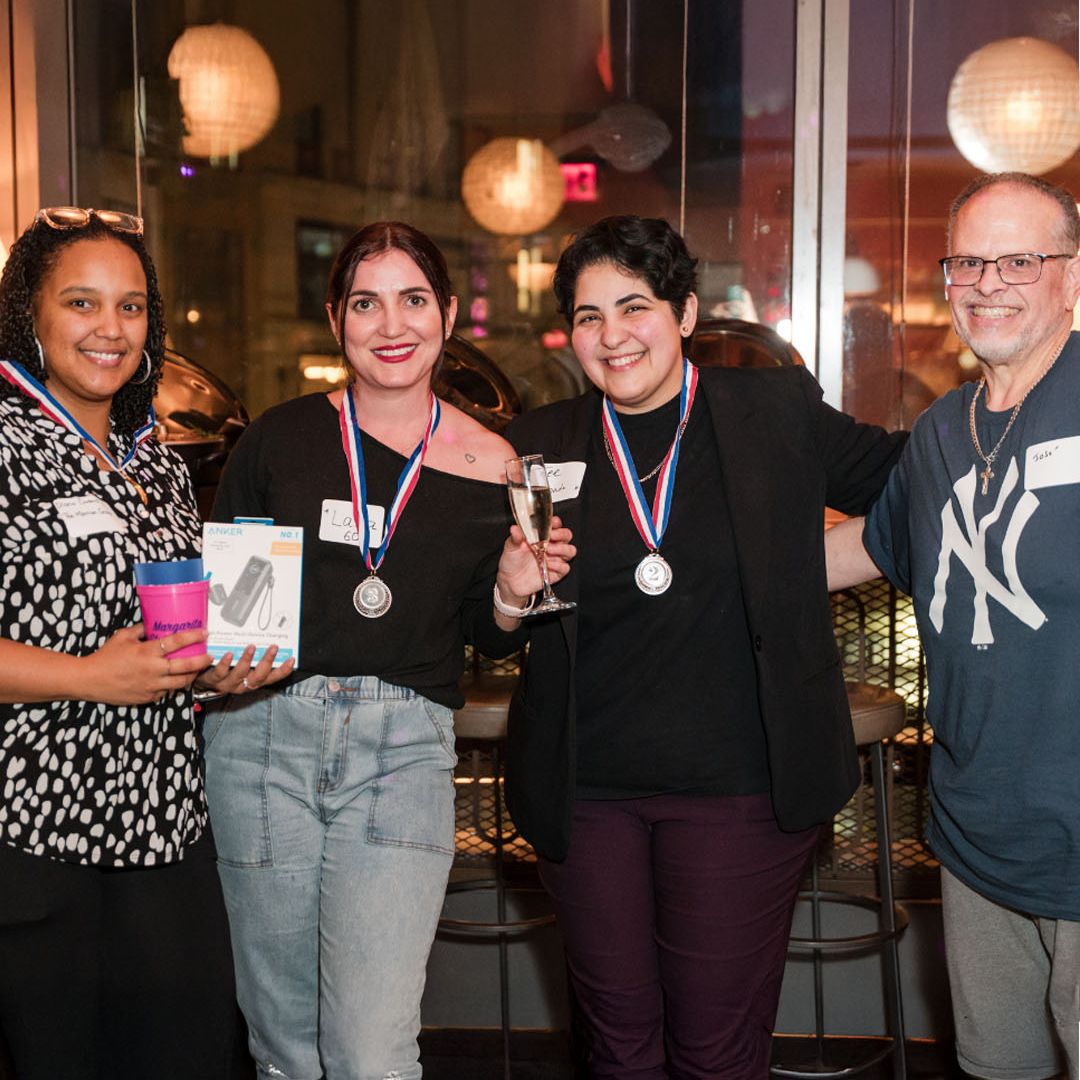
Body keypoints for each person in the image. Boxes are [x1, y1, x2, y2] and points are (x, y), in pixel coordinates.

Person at [491, 215, 905, 1078]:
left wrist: (812, 564)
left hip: (740, 791)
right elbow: (480, 613)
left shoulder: (771, 412)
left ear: (683, 313)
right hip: (586, 793)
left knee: (718, 1050)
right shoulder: (539, 448)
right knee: (617, 1045)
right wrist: (505, 594)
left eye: (633, 307)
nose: (612, 336)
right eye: (589, 315)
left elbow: (911, 483)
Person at [203, 220, 569, 1080]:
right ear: (337, 320)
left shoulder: (498, 462)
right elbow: (237, 611)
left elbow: (490, 635)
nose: (390, 324)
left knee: (372, 1051)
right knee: (285, 1046)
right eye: (365, 303)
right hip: (262, 737)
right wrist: (213, 660)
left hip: (401, 751)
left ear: (446, 312)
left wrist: (515, 587)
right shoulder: (279, 441)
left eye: (412, 299)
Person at [0, 207, 284, 1079]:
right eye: (81, 303)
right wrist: (88, 677)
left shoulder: (154, 457)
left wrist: (218, 666)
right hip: (38, 832)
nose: (109, 329)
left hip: (165, 822)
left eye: (130, 308)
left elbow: (168, 629)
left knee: (192, 1054)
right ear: (31, 317)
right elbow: (97, 660)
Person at [827, 172, 1080, 1080]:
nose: (989, 282)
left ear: (1073, 278)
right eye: (969, 261)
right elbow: (871, 546)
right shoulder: (941, 431)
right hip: (977, 841)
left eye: (1020, 259)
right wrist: (688, 551)